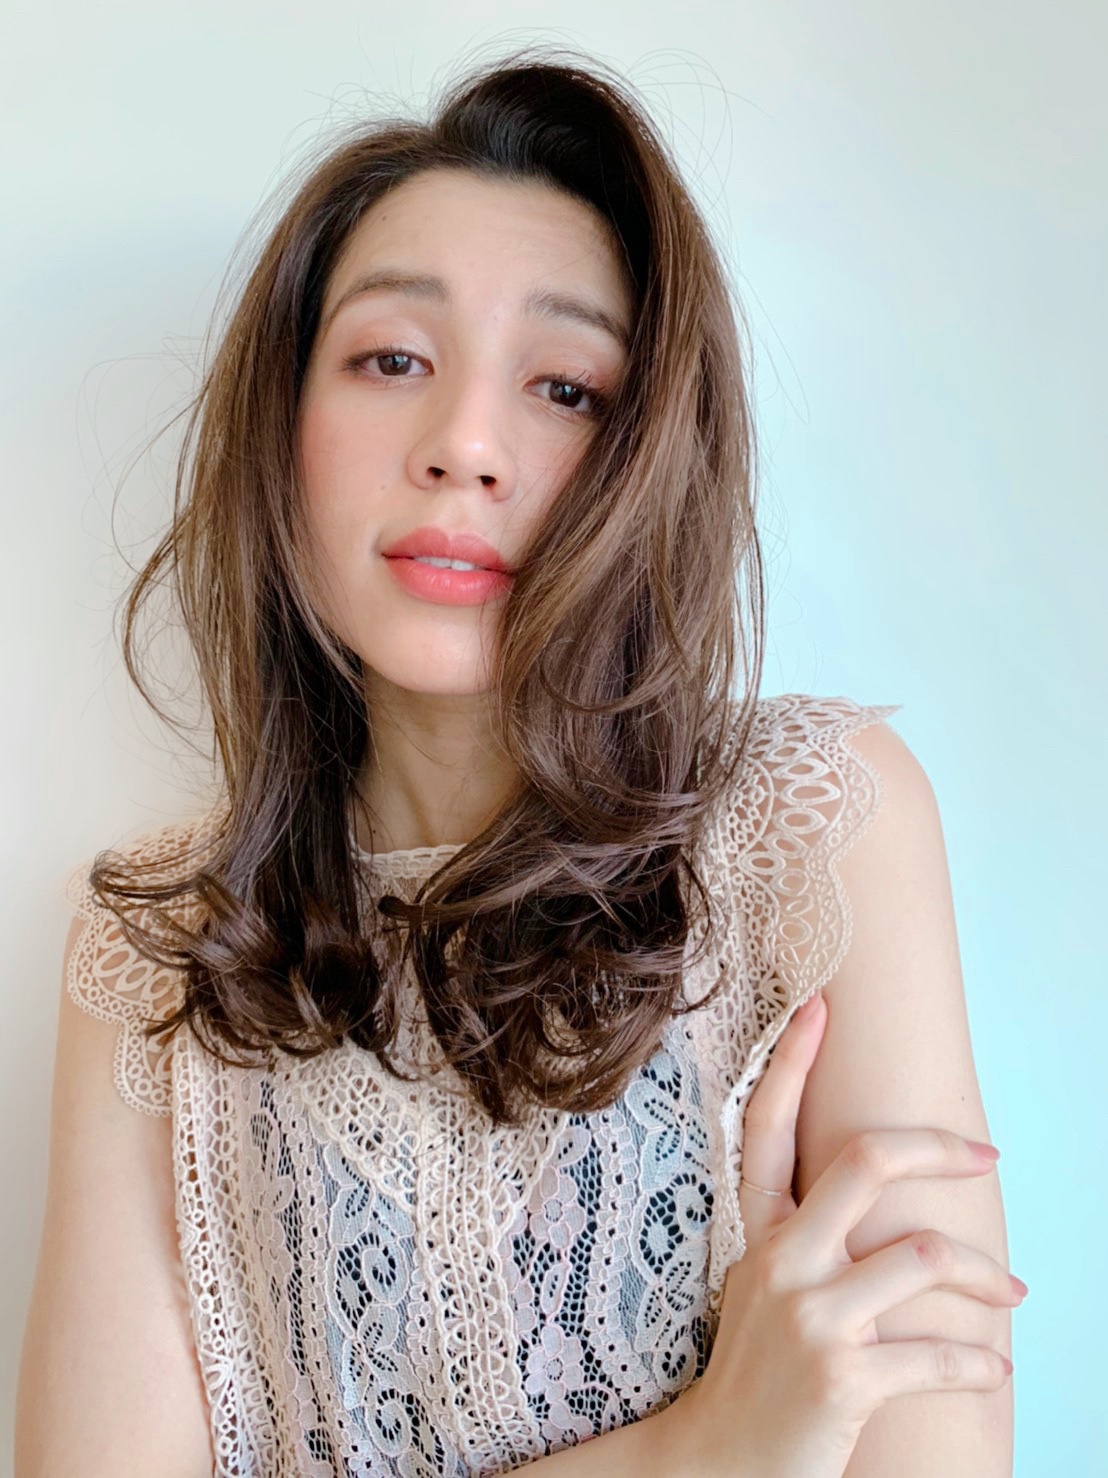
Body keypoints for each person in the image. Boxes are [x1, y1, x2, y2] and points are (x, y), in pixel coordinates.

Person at [16, 44, 1021, 1477]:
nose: (466, 445)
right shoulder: (160, 950)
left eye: (566, 387)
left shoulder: (817, 824)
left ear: (649, 459)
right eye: (392, 360)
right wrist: (704, 1448)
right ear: (283, 426)